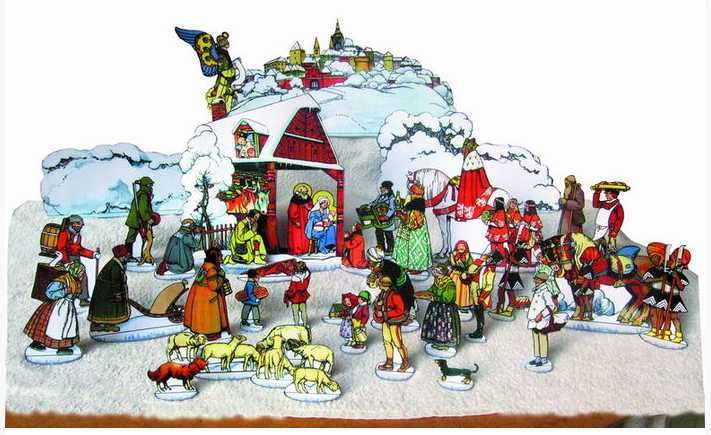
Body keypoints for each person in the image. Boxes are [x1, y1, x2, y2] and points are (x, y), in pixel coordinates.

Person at [24, 261, 85, 355]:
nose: (82, 274)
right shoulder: (63, 280)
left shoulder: (75, 281)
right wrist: (64, 291)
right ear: (75, 271)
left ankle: (62, 347)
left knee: (67, 326)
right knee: (54, 325)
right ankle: (36, 343)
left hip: (68, 306)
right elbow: (49, 292)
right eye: (81, 272)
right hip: (57, 306)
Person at [642, 246, 690, 343]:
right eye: (675, 261)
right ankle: (654, 330)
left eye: (679, 262)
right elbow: (646, 280)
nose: (676, 263)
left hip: (672, 297)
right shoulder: (660, 270)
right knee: (653, 312)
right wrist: (660, 278)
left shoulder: (678, 274)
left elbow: (681, 287)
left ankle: (676, 334)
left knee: (672, 316)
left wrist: (676, 277)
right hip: (657, 293)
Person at [183, 247, 232, 340]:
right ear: (215, 257)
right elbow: (214, 286)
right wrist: (221, 276)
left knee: (200, 314)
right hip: (207, 296)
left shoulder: (205, 265)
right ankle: (210, 332)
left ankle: (199, 329)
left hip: (199, 293)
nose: (221, 258)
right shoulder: (212, 269)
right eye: (219, 256)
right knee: (208, 315)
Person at [527, 266, 567, 369]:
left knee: (542, 337)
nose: (535, 281)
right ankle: (537, 357)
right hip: (534, 319)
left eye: (537, 279)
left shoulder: (546, 292)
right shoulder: (537, 291)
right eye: (535, 279)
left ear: (542, 280)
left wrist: (541, 314)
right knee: (535, 337)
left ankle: (543, 358)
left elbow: (551, 306)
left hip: (542, 320)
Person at [55, 214, 99, 306]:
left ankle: (82, 298)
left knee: (82, 276)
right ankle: (81, 298)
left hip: (75, 259)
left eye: (81, 224)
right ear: (73, 224)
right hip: (66, 260)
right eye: (79, 224)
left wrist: (93, 254)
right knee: (80, 276)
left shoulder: (77, 236)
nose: (81, 226)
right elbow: (61, 249)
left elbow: (79, 249)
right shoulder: (64, 234)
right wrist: (67, 263)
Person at [373, 276, 412, 372]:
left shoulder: (395, 295)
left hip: (394, 321)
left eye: (380, 284)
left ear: (385, 285)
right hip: (385, 321)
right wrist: (378, 305)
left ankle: (405, 362)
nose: (378, 285)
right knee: (386, 341)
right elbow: (378, 305)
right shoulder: (382, 293)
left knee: (398, 342)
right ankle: (389, 363)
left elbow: (400, 310)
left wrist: (384, 313)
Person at [88, 245, 131, 332]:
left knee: (106, 308)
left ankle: (100, 324)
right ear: (121, 257)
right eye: (126, 256)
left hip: (106, 290)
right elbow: (115, 282)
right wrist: (117, 294)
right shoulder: (115, 266)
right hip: (107, 292)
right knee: (109, 308)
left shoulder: (116, 264)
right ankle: (108, 324)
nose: (127, 258)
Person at [393, 182, 432, 273]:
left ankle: (416, 267)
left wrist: (401, 216)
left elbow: (413, 224)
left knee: (415, 248)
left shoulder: (416, 208)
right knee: (407, 247)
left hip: (416, 233)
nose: (411, 195)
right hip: (410, 232)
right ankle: (407, 265)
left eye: (412, 193)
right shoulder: (413, 205)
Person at [421, 264, 461, 351]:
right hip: (436, 307)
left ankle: (444, 343)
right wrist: (425, 293)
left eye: (437, 273)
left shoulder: (450, 284)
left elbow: (449, 298)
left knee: (444, 325)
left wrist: (435, 298)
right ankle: (436, 341)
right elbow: (432, 290)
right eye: (435, 272)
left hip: (446, 309)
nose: (435, 274)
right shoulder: (437, 281)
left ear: (442, 273)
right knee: (434, 324)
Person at [455, 137, 494, 221]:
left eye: (464, 149)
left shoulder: (469, 160)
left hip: (474, 191)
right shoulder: (473, 160)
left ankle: (467, 213)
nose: (463, 151)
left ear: (467, 149)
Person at [125, 176, 157, 265]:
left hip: (137, 220)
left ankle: (138, 255)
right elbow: (143, 209)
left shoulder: (142, 194)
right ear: (145, 185)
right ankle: (129, 256)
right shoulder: (143, 195)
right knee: (134, 238)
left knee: (134, 238)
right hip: (137, 221)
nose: (151, 187)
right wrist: (148, 219)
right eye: (150, 185)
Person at [467, 253, 496, 340]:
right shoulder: (478, 264)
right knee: (476, 310)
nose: (483, 258)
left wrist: (483, 296)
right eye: (483, 257)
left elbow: (489, 285)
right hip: (474, 288)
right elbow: (470, 271)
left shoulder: (490, 269)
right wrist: (478, 262)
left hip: (480, 292)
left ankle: (479, 331)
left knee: (479, 311)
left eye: (486, 258)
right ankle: (478, 329)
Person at [592, 188, 625, 255]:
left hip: (609, 230)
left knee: (610, 248)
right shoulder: (604, 203)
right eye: (606, 193)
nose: (606, 195)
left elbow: (620, 219)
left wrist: (615, 231)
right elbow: (595, 204)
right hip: (599, 228)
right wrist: (597, 193)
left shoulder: (618, 206)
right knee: (596, 245)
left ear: (613, 194)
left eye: (608, 193)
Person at [369, 181, 397, 256]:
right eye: (381, 188)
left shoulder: (391, 198)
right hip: (378, 220)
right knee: (379, 234)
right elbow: (374, 202)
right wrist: (368, 206)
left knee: (388, 235)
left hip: (387, 221)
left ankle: (390, 250)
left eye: (382, 188)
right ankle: (381, 249)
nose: (381, 189)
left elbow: (392, 208)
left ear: (387, 189)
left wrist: (386, 216)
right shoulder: (380, 196)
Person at [447, 240, 476, 312]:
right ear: (456, 247)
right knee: (454, 290)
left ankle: (463, 305)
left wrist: (466, 273)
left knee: (464, 291)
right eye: (459, 246)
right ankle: (453, 304)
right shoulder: (453, 255)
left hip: (464, 277)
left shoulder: (468, 256)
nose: (461, 247)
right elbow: (449, 264)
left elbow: (471, 266)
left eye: (463, 246)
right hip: (454, 275)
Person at [287, 183, 313, 255]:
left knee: (306, 236)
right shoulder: (295, 199)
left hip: (306, 221)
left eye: (305, 191)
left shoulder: (308, 198)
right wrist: (295, 220)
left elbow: (312, 207)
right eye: (302, 191)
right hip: (298, 222)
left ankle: (306, 250)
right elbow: (291, 212)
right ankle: (297, 251)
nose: (304, 192)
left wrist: (309, 208)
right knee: (297, 237)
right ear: (299, 191)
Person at [283, 261, 311, 325]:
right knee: (303, 311)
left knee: (295, 313)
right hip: (303, 297)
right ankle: (305, 324)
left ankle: (297, 325)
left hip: (295, 298)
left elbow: (291, 289)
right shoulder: (307, 276)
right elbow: (309, 272)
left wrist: (287, 295)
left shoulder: (294, 279)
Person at [486, 197, 510, 264]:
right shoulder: (496, 211)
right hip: (494, 233)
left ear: (498, 203)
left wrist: (490, 223)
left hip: (499, 233)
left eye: (494, 202)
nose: (493, 203)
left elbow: (501, 224)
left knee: (500, 247)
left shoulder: (501, 212)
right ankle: (494, 259)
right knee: (493, 246)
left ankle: (503, 260)